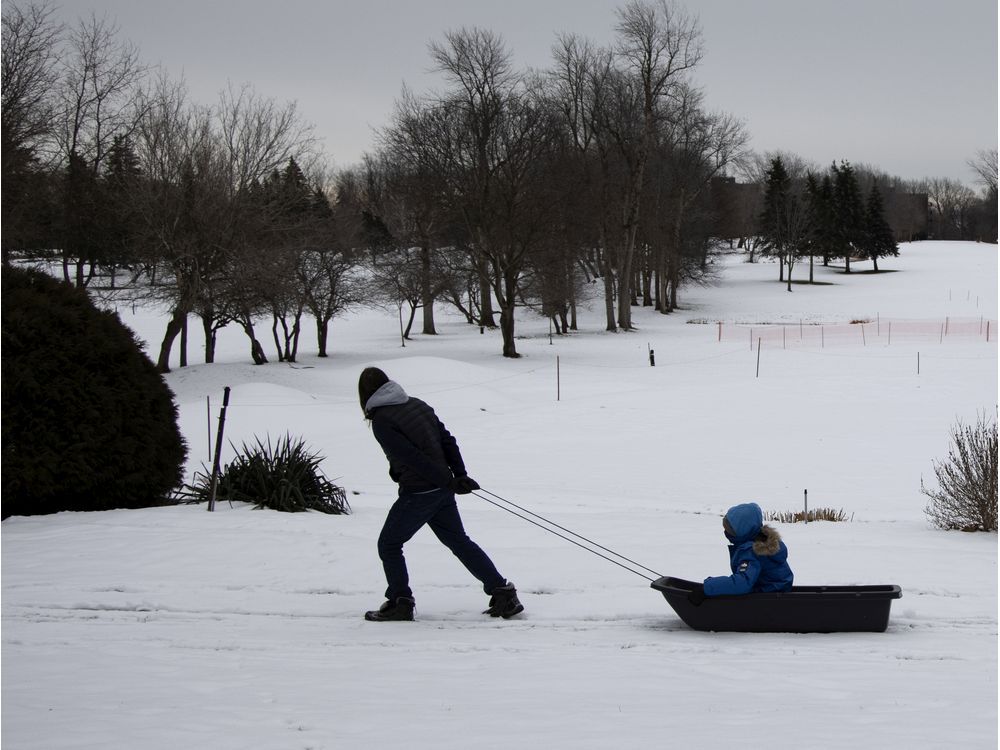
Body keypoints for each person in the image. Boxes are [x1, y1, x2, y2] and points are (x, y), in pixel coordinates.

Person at [358, 367, 523, 622]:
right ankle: (503, 594)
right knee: (459, 542)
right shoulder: (417, 404)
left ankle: (400, 602)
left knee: (389, 544)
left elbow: (411, 458)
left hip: (420, 492)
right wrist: (457, 475)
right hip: (441, 490)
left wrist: (454, 479)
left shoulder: (382, 420)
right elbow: (448, 441)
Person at [688, 501, 793, 605]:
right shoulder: (761, 541)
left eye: (729, 530)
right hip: (775, 590)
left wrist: (707, 588)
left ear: (741, 533)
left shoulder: (751, 551)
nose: (726, 533)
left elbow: (742, 582)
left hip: (767, 598)